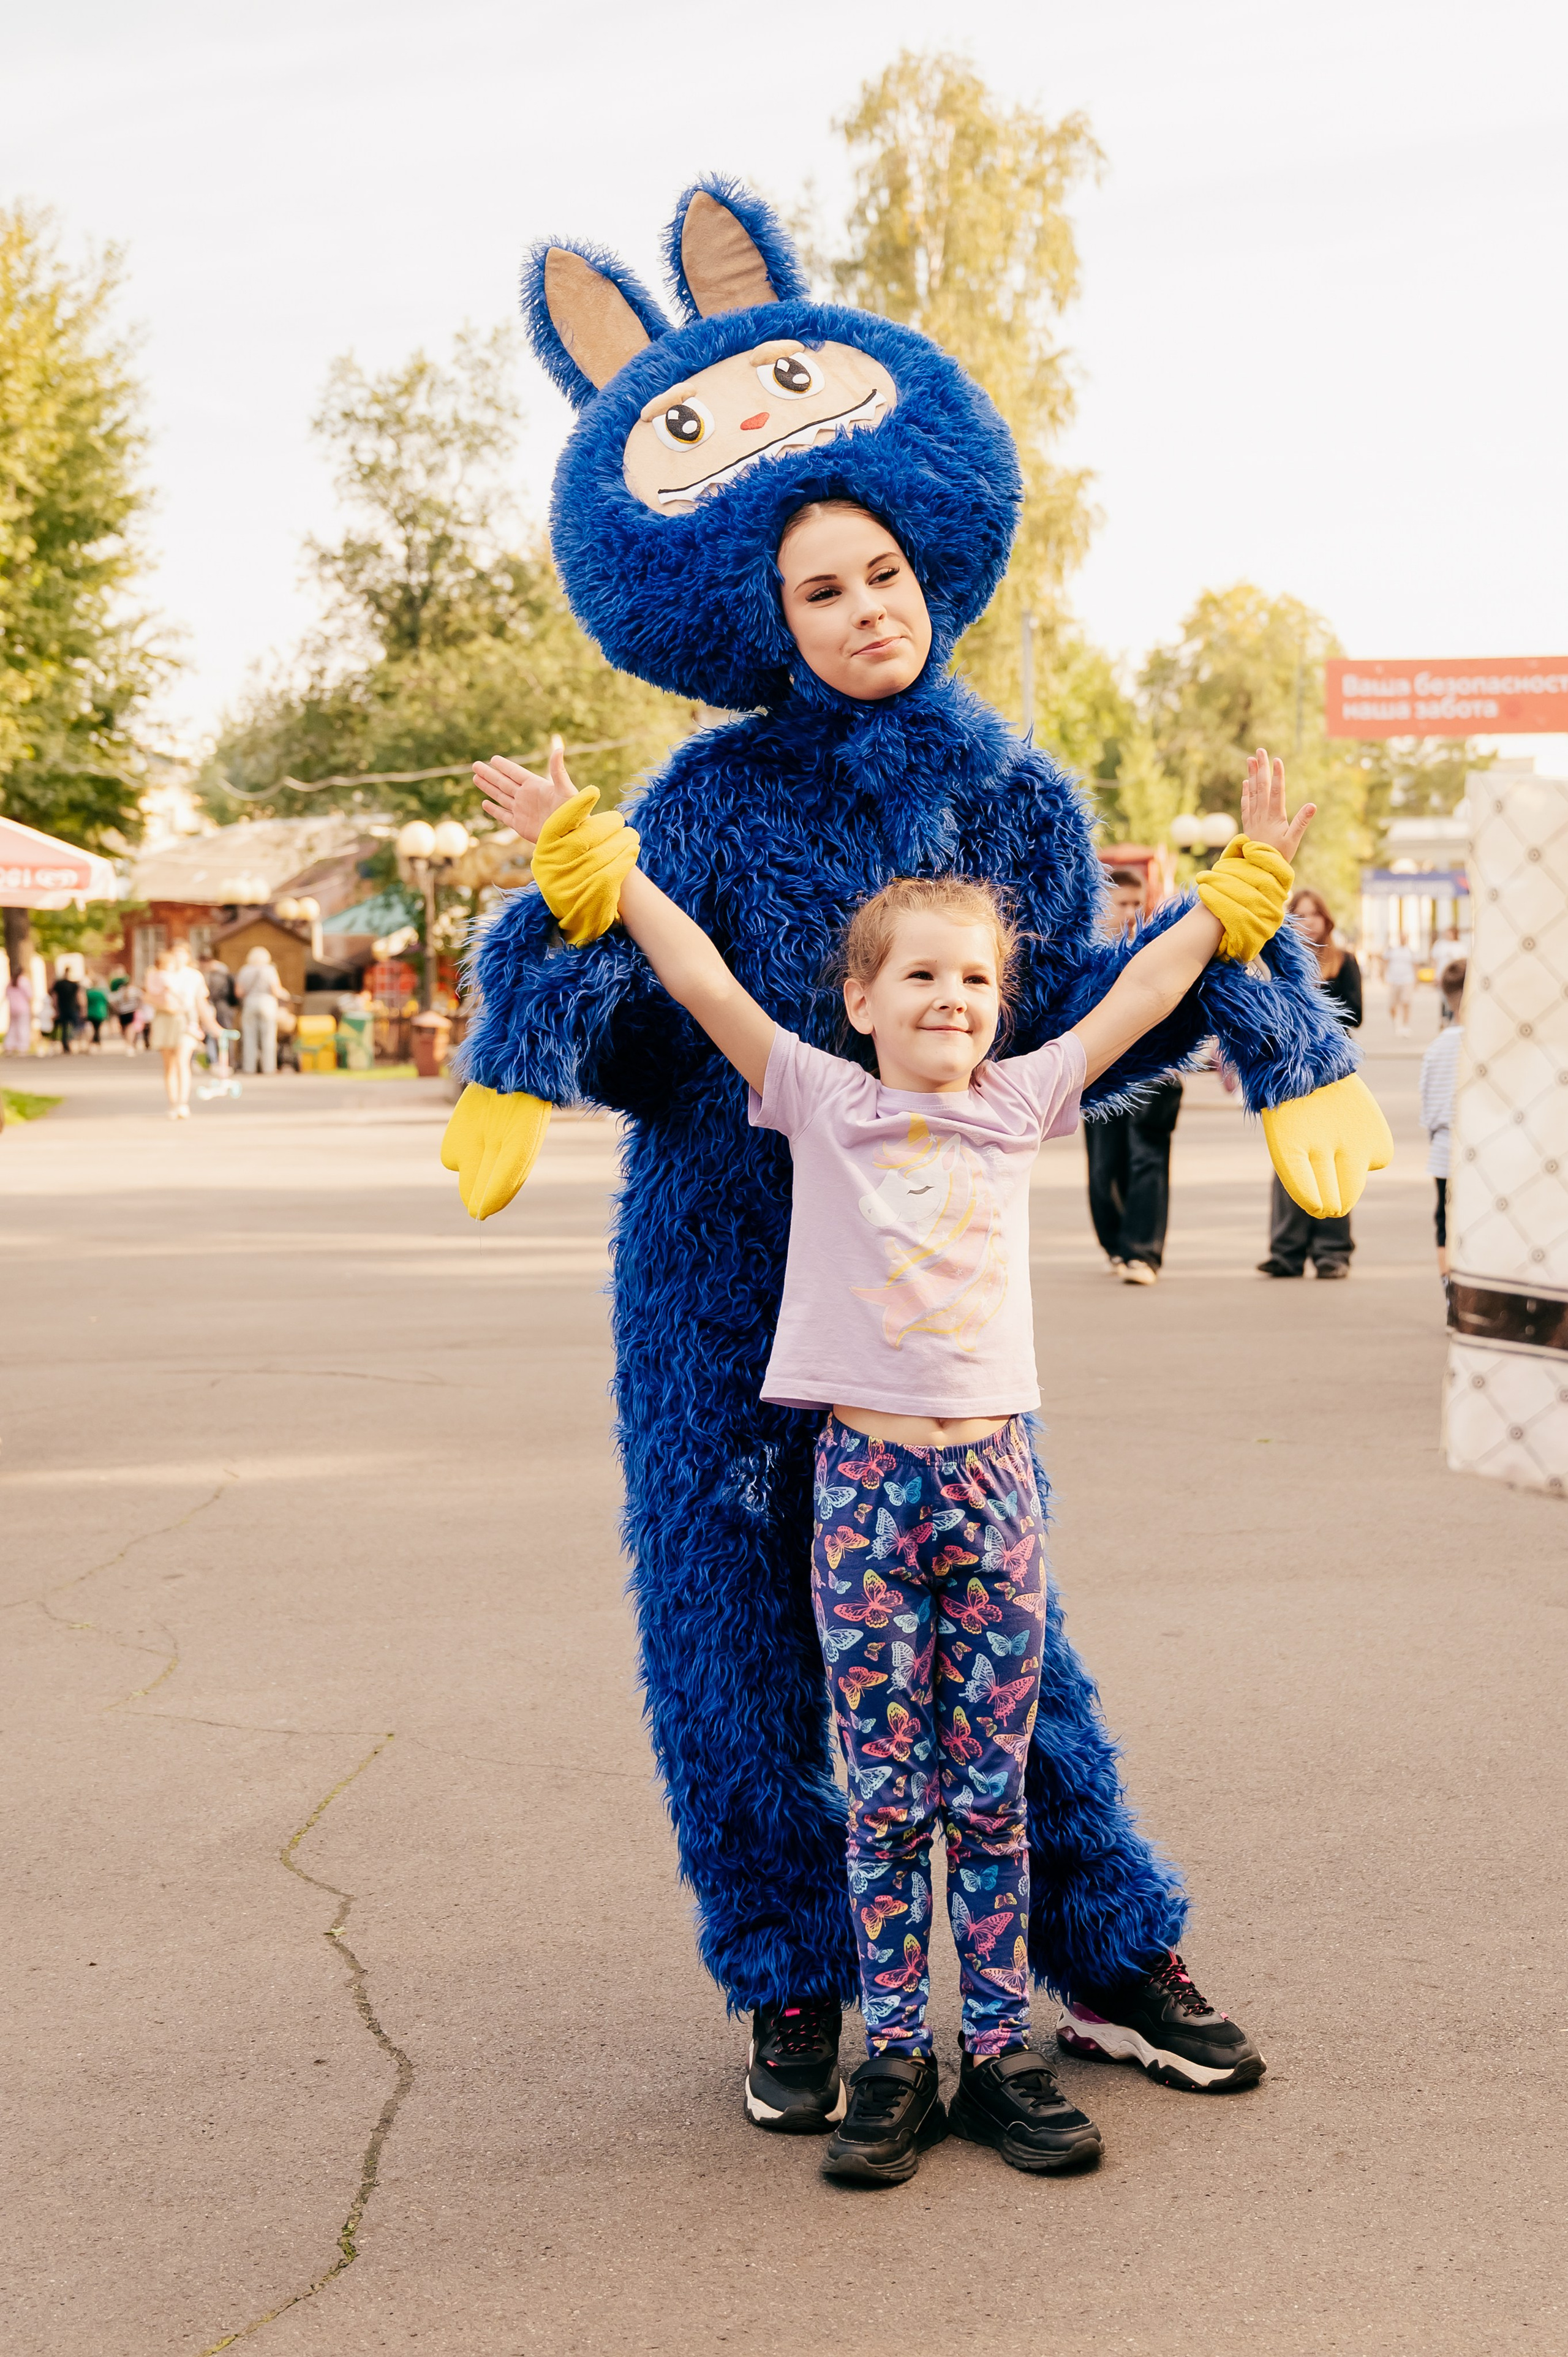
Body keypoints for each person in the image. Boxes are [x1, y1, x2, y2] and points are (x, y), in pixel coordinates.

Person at [448, 183, 1390, 2146]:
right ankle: (798, 1981)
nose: (863, 608)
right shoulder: (697, 796)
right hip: (718, 1267)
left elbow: (1107, 1012)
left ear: (927, 560)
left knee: (1002, 1638)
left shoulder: (1015, 791)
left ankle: (1103, 1944)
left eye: (880, 571)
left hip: (932, 1308)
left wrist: (1276, 1013)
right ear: (751, 611)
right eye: (819, 591)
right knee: (723, 1628)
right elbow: (644, 1000)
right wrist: (530, 1014)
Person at [482, 736, 1308, 2184]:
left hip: (986, 1490)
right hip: (861, 1491)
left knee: (985, 1785)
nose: (951, 999)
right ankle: (894, 2059)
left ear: (999, 1008)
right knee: (883, 1786)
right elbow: (699, 981)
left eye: (975, 979)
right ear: (858, 999)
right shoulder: (818, 1097)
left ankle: (994, 2051)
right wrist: (589, 853)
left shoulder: (1020, 1101)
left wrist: (1238, 889)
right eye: (919, 976)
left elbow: (1141, 991)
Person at [1258, 889, 1364, 1280]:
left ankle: (1332, 1252)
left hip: (1334, 1072)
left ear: (1327, 920)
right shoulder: (1279, 963)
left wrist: (1315, 1001)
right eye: (1298, 916)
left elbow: (1355, 1014)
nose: (1307, 923)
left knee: (1336, 1159)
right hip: (1289, 1072)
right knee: (1290, 1158)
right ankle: (1286, 1252)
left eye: (1314, 915)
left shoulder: (1344, 962)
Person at [1084, 868, 1182, 1286]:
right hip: (1099, 1071)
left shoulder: (1157, 947)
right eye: (1121, 903)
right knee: (1104, 1166)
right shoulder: (1086, 953)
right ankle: (1116, 1243)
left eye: (1135, 904)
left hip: (1152, 1070)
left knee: (1148, 1157)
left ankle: (1143, 1253)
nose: (1129, 912)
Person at [1421, 959, 1466, 1283]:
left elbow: (1429, 1105)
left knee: (1445, 1222)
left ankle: (1450, 1291)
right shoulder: (1486, 1045)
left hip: (1442, 1150)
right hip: (1479, 1152)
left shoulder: (1437, 1047)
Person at [143, 942, 210, 1119]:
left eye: (183, 953)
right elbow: (148, 996)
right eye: (176, 953)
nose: (179, 956)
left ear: (188, 956)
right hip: (165, 1018)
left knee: (182, 1061)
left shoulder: (194, 976)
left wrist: (212, 1026)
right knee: (169, 1065)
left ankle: (183, 1102)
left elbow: (201, 1003)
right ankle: (173, 1103)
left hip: (186, 1020)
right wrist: (164, 1004)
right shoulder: (161, 974)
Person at [235, 946, 287, 1074]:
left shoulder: (244, 970)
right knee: (268, 1037)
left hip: (250, 1002)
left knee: (249, 1037)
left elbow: (239, 992)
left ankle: (249, 1068)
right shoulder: (270, 970)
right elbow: (276, 991)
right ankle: (269, 1068)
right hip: (267, 1003)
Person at [1384, 933, 1415, 1036]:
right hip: (1394, 980)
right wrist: (1383, 975)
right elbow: (1385, 962)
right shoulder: (1393, 951)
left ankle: (1405, 1025)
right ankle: (1396, 1023)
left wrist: (1416, 980)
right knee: (1392, 1005)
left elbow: (1415, 965)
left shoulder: (1410, 951)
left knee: (1406, 1003)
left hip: (1407, 980)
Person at [50, 965, 83, 1052]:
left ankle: (66, 1045)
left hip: (63, 1008)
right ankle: (71, 1044)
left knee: (65, 1027)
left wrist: (55, 1008)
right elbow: (79, 997)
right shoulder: (74, 984)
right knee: (74, 1027)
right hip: (72, 1007)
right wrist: (82, 1008)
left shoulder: (59, 984)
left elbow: (54, 997)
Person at [4, 967, 32, 1055]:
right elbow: (30, 995)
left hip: (13, 1008)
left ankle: (9, 1046)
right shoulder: (24, 981)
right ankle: (22, 1047)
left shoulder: (11, 982)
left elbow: (6, 995)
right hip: (23, 1008)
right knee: (23, 1027)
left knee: (12, 1027)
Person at [85, 978, 109, 1047]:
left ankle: (96, 1040)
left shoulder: (89, 992)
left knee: (94, 1027)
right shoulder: (101, 993)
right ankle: (97, 1040)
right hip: (100, 1012)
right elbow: (106, 1001)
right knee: (98, 1028)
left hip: (91, 1012)